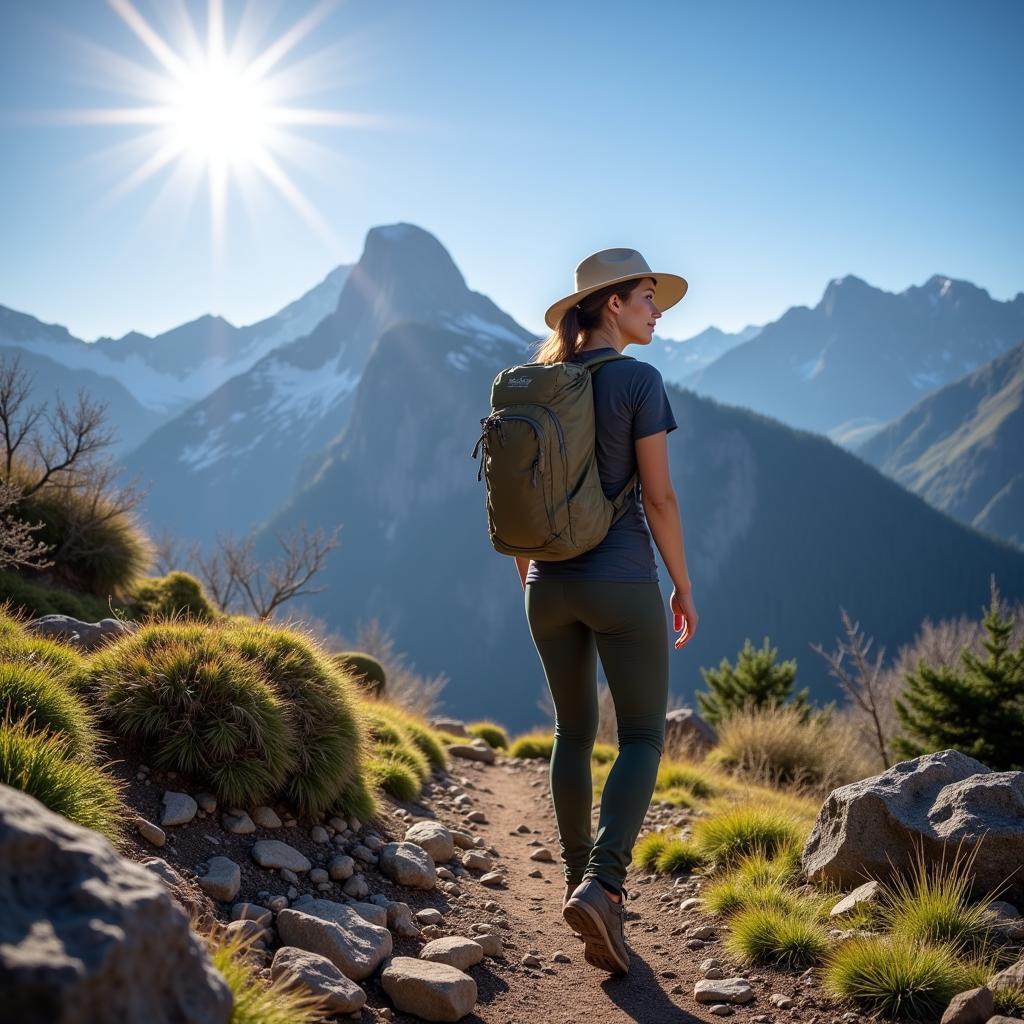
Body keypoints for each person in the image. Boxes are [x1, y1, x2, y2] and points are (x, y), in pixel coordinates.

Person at [513, 247, 698, 977]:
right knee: (644, 735)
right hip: (622, 583)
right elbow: (659, 498)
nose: (657, 311)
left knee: (572, 730)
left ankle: (575, 882)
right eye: (649, 297)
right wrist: (682, 586)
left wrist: (532, 577)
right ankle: (605, 884)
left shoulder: (538, 386)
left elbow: (513, 498)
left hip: (546, 587)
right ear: (612, 305)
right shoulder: (638, 381)